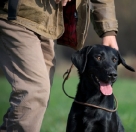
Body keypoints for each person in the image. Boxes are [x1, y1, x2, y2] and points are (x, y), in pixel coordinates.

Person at [0, 0, 118, 131]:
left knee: (35, 99)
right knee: (35, 92)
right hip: (16, 16)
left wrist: (108, 31)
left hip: (48, 25)